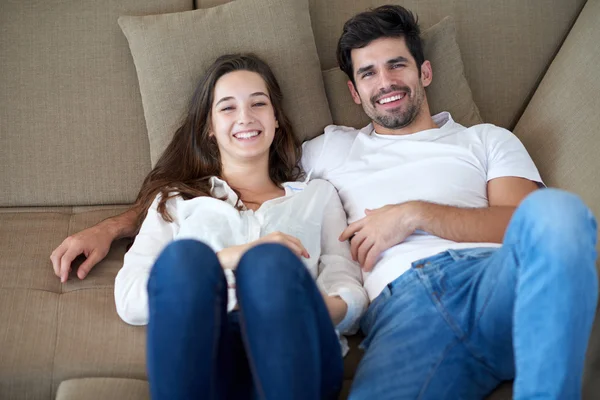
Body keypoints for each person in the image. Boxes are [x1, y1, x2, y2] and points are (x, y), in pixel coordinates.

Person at [51, 5, 598, 399]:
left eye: (398, 65)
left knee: (562, 214)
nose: (386, 82)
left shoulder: (486, 140)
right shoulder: (331, 151)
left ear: (425, 72)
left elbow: (529, 228)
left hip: (490, 278)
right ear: (354, 93)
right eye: (368, 73)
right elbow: (193, 198)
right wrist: (113, 227)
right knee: (241, 262)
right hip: (404, 315)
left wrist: (415, 214)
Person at [106, 54, 367, 399]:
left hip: (295, 340)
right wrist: (230, 257)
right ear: (209, 127)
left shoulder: (318, 195)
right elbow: (130, 299)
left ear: (276, 119)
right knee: (187, 258)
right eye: (227, 108)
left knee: (269, 264)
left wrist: (299, 303)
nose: (245, 117)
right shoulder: (175, 202)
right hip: (211, 348)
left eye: (258, 103)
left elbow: (348, 288)